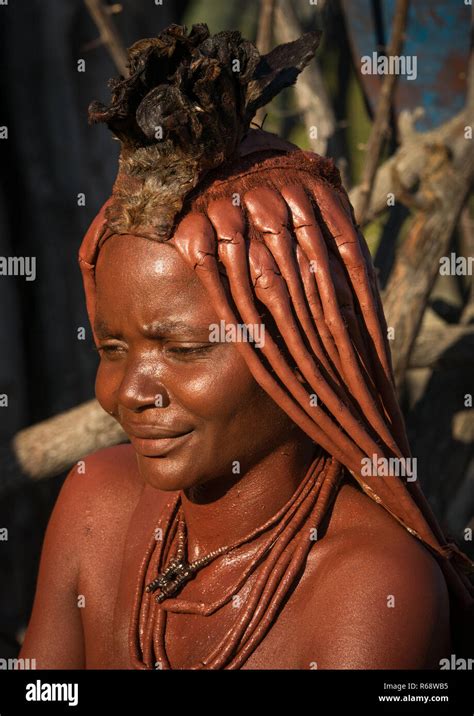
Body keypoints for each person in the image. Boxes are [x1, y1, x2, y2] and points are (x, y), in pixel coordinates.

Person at [20, 23, 473, 670]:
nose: (127, 394)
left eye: (179, 349)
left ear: (296, 346)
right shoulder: (97, 502)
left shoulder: (374, 589)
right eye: (112, 347)